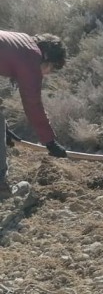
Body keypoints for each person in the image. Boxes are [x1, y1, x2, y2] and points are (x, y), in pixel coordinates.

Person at [0, 31, 68, 199]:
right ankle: (1, 187)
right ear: (48, 58)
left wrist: (4, 128)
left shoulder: (21, 41)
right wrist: (50, 141)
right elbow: (33, 104)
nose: (45, 74)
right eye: (50, 69)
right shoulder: (31, 58)